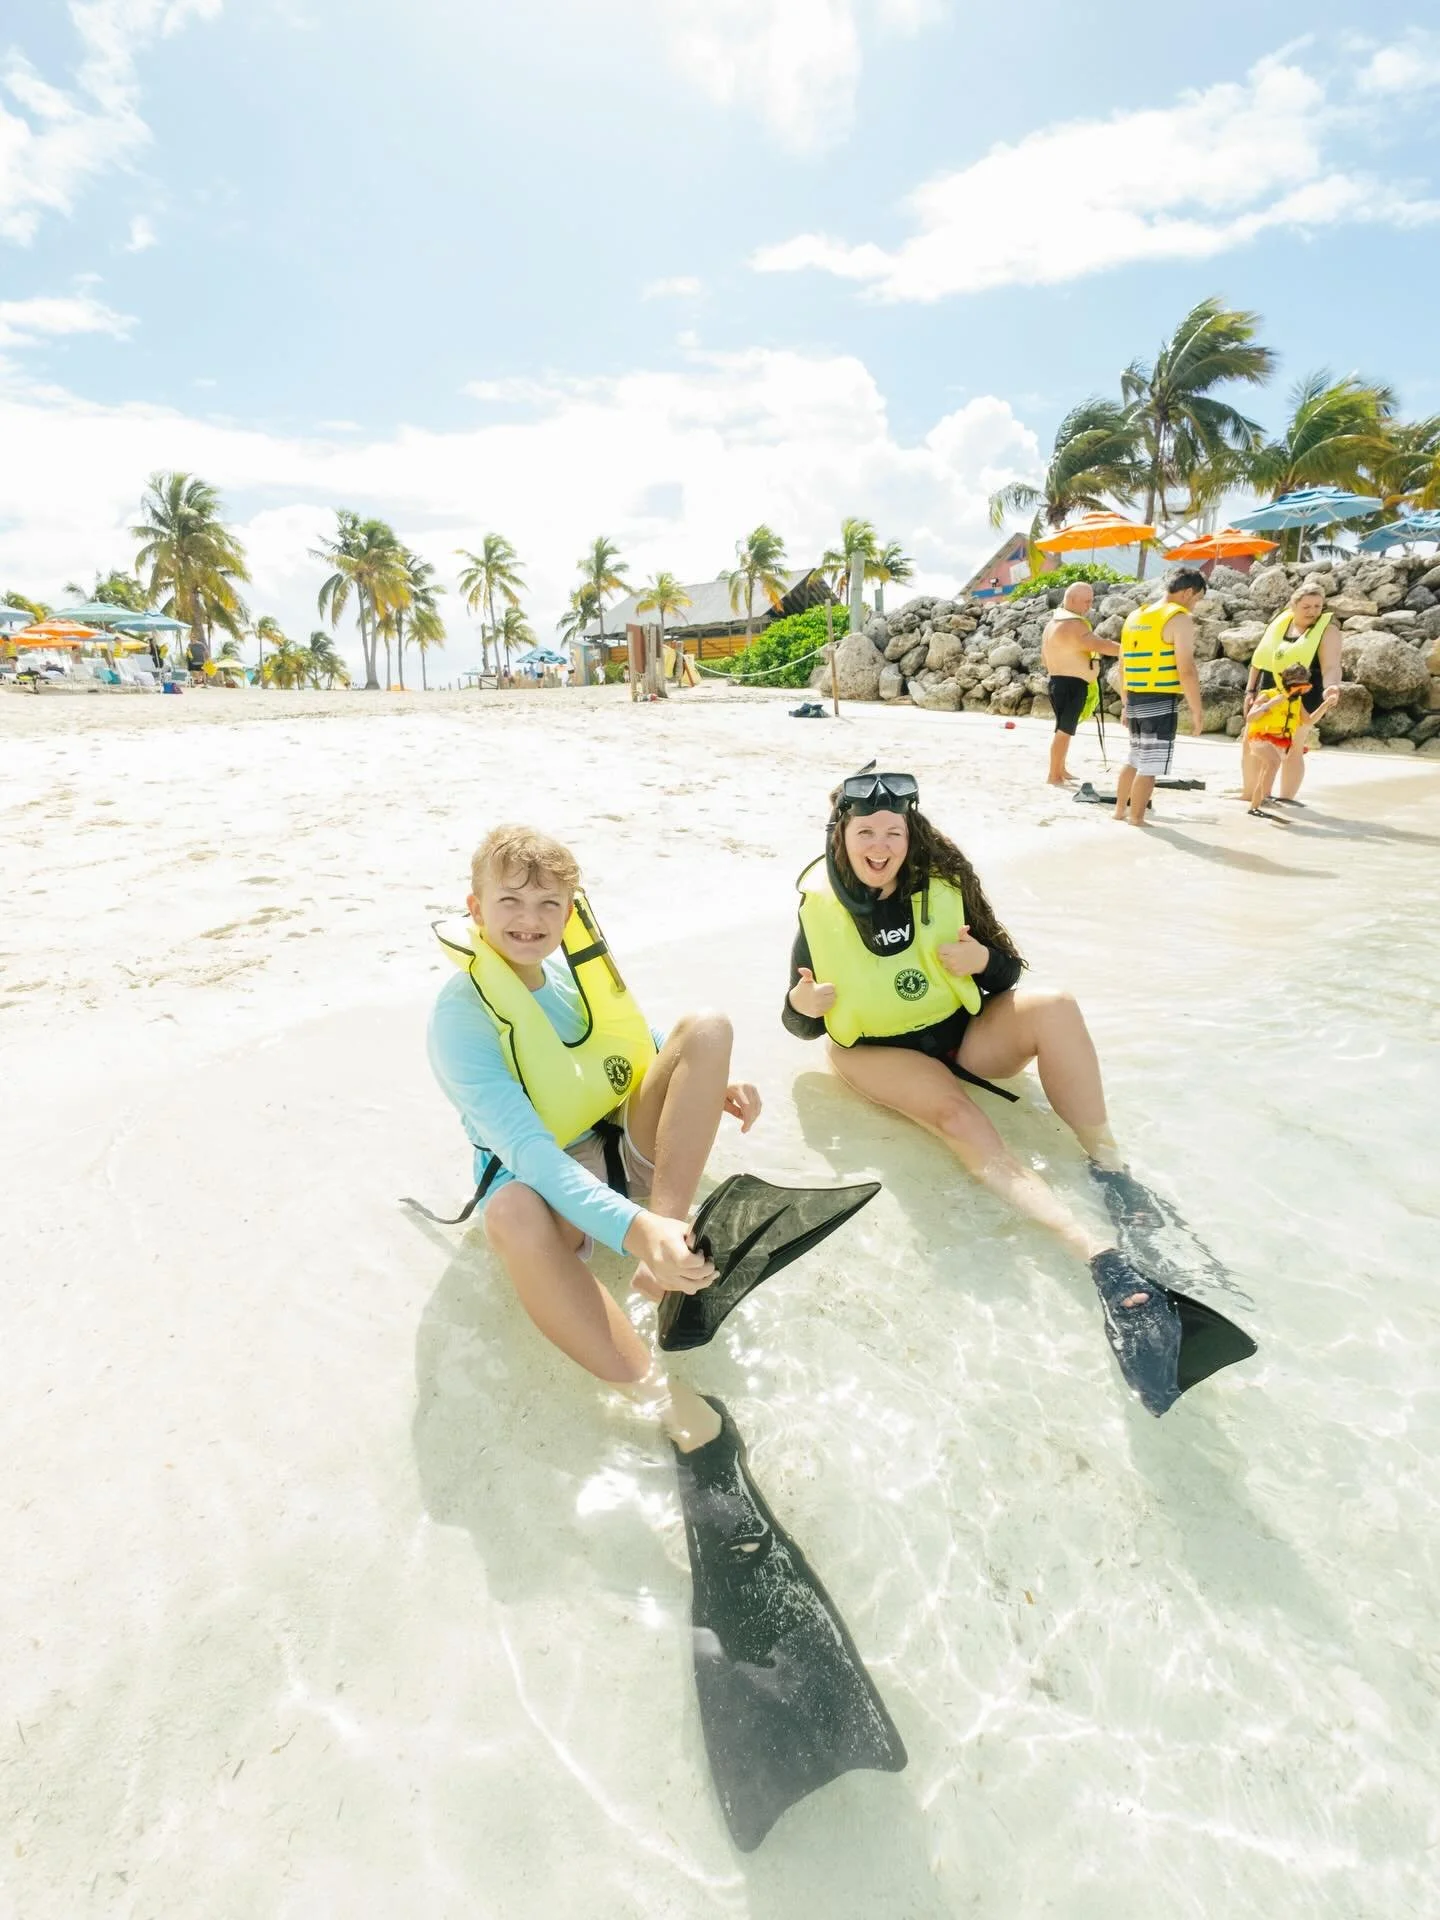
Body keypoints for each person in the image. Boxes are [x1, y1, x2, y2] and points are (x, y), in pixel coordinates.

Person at [427, 824, 761, 1447]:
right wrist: (632, 1232)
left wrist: (710, 1079)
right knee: (511, 1215)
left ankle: (665, 1253)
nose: (531, 920)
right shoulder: (460, 1019)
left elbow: (633, 1048)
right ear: (475, 908)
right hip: (547, 1185)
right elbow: (529, 1153)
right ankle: (661, 1399)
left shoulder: (561, 977)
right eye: (511, 902)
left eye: (549, 904)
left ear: (569, 911)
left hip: (616, 1148)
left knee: (707, 1029)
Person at [1113, 570, 1206, 827]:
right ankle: (1137, 819)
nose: (1194, 605)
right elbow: (1186, 668)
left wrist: (1125, 703)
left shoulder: (1135, 616)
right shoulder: (1179, 619)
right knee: (1150, 765)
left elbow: (1122, 665)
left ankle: (1120, 811)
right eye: (1196, 599)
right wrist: (1197, 710)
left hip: (1134, 697)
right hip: (1160, 700)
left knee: (1134, 757)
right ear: (1188, 592)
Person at [1241, 584, 1341, 807]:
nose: (1312, 611)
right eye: (1306, 606)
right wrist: (1250, 690)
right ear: (1293, 605)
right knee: (1252, 739)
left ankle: (1285, 798)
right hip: (1269, 688)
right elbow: (1259, 660)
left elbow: (1332, 666)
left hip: (1304, 690)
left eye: (1317, 606)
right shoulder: (1281, 623)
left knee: (1292, 746)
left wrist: (1331, 687)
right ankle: (1250, 793)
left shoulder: (1328, 631)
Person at [1040, 583, 1120, 785]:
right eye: (1087, 600)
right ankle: (1053, 774)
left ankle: (1061, 769)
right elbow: (1099, 645)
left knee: (1065, 729)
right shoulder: (1074, 624)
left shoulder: (1053, 623)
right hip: (1069, 685)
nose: (1090, 605)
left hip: (1059, 682)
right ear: (1072, 600)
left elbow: (1043, 658)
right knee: (1064, 730)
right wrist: (1128, 649)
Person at [1243, 665, 1338, 816]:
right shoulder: (1268, 695)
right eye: (1296, 686)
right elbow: (1250, 717)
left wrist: (1325, 705)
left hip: (1279, 742)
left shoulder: (1296, 702)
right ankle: (1263, 799)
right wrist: (1270, 704)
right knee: (1273, 763)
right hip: (1260, 738)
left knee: (1267, 769)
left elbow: (1309, 720)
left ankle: (1255, 806)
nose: (1300, 690)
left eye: (1303, 686)